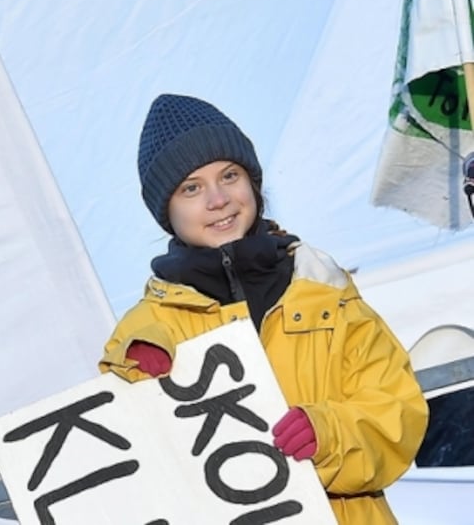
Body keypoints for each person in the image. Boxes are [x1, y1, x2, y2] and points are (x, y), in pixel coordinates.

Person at [99, 94, 428, 524]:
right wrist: (136, 383)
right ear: (167, 212)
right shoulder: (142, 334)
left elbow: (398, 414)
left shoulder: (323, 288)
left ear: (252, 182)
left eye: (229, 175)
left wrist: (328, 434)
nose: (218, 199)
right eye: (191, 188)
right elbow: (128, 471)